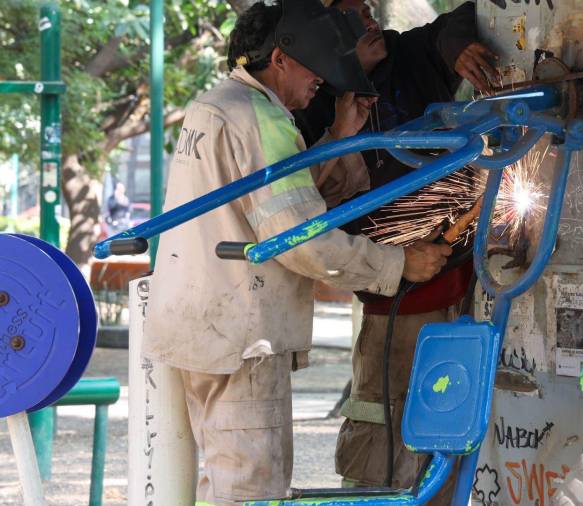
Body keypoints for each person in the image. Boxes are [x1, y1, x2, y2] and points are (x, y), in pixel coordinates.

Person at [141, 1, 451, 505]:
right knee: (252, 489)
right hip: (240, 332)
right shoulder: (261, 119)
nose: (322, 84)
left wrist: (338, 138)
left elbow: (275, 200)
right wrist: (398, 264)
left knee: (226, 479)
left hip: (202, 324)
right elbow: (298, 238)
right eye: (318, 70)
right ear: (282, 58)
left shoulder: (219, 104)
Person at [294, 1, 499, 502]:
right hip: (393, 301)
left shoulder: (408, 55)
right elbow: (307, 212)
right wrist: (348, 84)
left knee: (456, 425)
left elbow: (467, 16)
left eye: (367, 9)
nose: (368, 20)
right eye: (350, 16)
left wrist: (457, 52)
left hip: (465, 286)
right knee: (385, 432)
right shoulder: (314, 104)